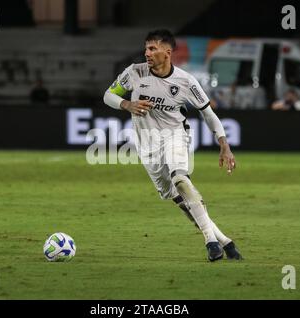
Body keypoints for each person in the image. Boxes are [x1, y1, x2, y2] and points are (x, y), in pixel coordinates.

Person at [103, 29, 242, 262]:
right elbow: (108, 95)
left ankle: (210, 242)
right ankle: (225, 241)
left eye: (152, 48)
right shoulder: (134, 73)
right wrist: (127, 104)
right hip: (147, 145)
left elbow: (208, 113)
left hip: (175, 135)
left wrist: (224, 144)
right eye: (146, 48)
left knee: (181, 179)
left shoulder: (186, 81)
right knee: (179, 197)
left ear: (167, 52)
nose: (147, 53)